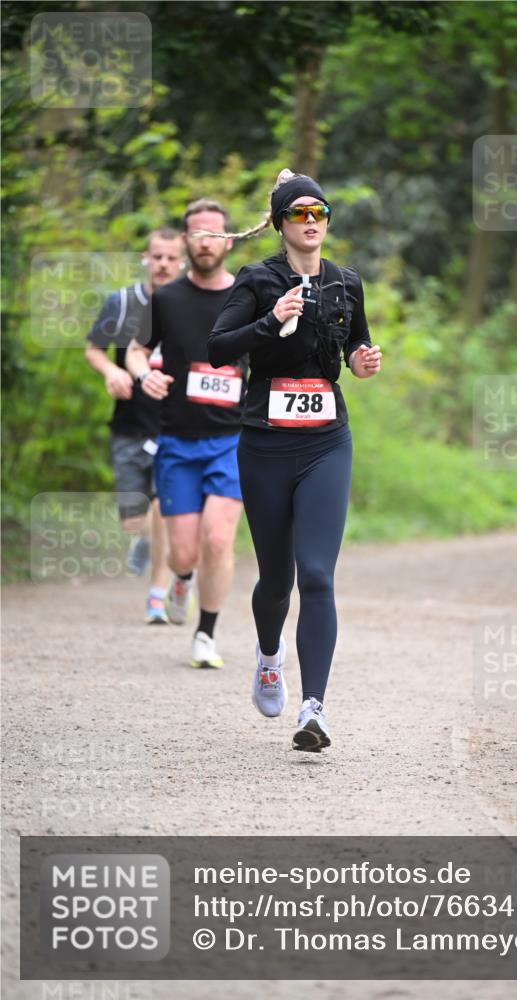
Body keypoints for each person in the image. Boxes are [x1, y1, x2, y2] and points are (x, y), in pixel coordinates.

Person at [208, 170, 382, 751]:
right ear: (280, 223)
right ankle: (268, 656)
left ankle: (314, 709)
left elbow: (354, 343)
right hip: (265, 443)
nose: (311, 222)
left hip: (326, 440)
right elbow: (218, 347)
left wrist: (361, 362)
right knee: (277, 580)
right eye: (299, 213)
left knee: (317, 575)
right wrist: (270, 319)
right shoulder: (258, 279)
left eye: (319, 213)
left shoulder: (347, 282)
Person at [125, 198, 247, 668]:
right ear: (184, 241)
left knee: (218, 539)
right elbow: (136, 350)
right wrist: (144, 375)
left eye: (214, 233)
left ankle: (205, 634)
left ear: (228, 240)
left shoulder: (248, 297)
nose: (205, 242)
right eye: (197, 234)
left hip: (232, 441)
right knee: (183, 553)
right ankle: (181, 579)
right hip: (177, 441)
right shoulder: (168, 298)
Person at [85, 228, 184, 624]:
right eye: (157, 257)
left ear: (182, 262)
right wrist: (112, 371)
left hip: (173, 426)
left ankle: (156, 597)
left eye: (171, 258)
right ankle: (143, 540)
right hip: (129, 424)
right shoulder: (123, 303)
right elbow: (94, 349)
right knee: (134, 521)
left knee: (163, 509)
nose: (163, 264)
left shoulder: (190, 303)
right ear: (146, 257)